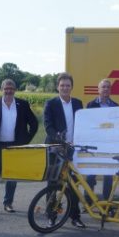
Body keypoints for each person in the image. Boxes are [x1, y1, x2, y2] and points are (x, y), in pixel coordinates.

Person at [0, 79, 38, 215]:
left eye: (11, 88)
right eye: (6, 88)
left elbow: (34, 123)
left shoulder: (22, 104)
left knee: (12, 177)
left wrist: (25, 140)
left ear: (15, 90)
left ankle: (8, 203)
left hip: (15, 146)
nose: (8, 91)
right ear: (2, 89)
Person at [43, 73, 86, 228]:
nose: (65, 88)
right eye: (62, 85)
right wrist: (59, 139)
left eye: (68, 85)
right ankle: (51, 215)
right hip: (56, 149)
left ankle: (75, 216)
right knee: (53, 183)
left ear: (72, 87)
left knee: (74, 184)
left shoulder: (78, 103)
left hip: (72, 149)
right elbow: (48, 126)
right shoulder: (50, 103)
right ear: (57, 87)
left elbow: (83, 123)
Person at [86, 78, 119, 199]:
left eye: (108, 87)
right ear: (98, 89)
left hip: (109, 146)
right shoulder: (90, 105)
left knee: (108, 175)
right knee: (90, 174)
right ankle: (88, 201)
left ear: (110, 90)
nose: (105, 89)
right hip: (94, 145)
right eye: (103, 87)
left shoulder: (116, 106)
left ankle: (107, 203)